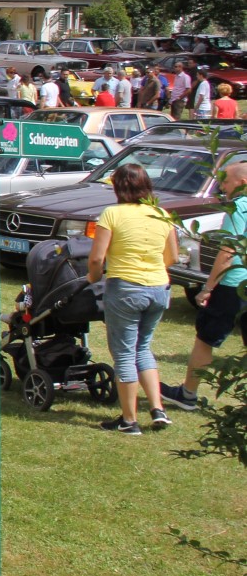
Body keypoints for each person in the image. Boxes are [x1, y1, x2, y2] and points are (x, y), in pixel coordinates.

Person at [87, 162, 178, 434]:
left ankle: (129, 420)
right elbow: (172, 257)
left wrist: (93, 279)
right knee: (143, 348)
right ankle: (157, 409)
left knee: (124, 352)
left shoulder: (112, 214)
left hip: (126, 288)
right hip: (159, 288)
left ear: (117, 187)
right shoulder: (162, 214)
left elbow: (96, 258)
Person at [165, 162, 247, 413]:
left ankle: (187, 394)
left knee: (206, 338)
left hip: (233, 284)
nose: (222, 186)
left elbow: (227, 252)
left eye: (225, 180)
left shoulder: (238, 208)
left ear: (241, 183)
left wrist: (208, 287)